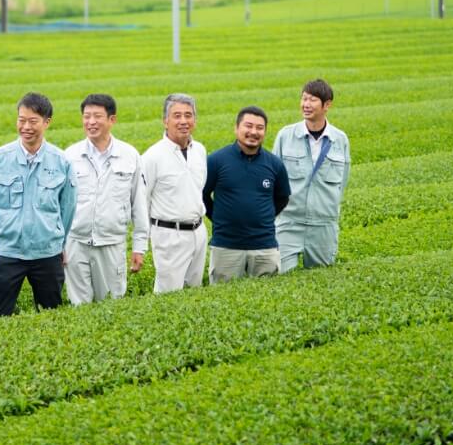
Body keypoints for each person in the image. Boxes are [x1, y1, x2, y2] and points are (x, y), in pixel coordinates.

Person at [0, 92, 76, 318]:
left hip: (47, 252)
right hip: (8, 252)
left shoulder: (61, 161)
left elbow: (68, 208)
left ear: (46, 122)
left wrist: (57, 239)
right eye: (21, 120)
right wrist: (6, 233)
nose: (26, 127)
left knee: (51, 315)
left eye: (33, 121)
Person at [61, 93, 148, 304]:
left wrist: (139, 246)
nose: (91, 122)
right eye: (86, 116)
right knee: (78, 306)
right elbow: (59, 204)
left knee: (111, 304)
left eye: (97, 116)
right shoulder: (69, 156)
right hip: (76, 243)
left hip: (112, 243)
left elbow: (139, 203)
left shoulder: (129, 155)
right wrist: (59, 245)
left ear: (112, 120)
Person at [203, 106, 290, 283]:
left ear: (265, 131)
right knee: (223, 300)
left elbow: (282, 198)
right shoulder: (216, 161)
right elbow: (202, 196)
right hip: (226, 246)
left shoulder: (274, 164)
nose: (253, 132)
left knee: (268, 298)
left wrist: (263, 217)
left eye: (259, 128)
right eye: (248, 126)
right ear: (236, 128)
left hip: (264, 247)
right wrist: (219, 218)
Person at [272, 78, 352, 271]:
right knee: (279, 275)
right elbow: (274, 177)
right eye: (304, 99)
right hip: (289, 222)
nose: (306, 104)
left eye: (312, 100)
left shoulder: (339, 140)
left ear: (327, 105)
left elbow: (343, 182)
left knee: (321, 279)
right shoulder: (286, 135)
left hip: (323, 225)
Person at [139, 93, 208, 294]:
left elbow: (198, 189)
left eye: (188, 115)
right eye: (177, 116)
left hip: (198, 231)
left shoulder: (200, 150)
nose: (183, 121)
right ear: (165, 120)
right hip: (169, 234)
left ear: (195, 120)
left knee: (194, 291)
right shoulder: (152, 157)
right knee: (167, 294)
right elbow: (142, 201)